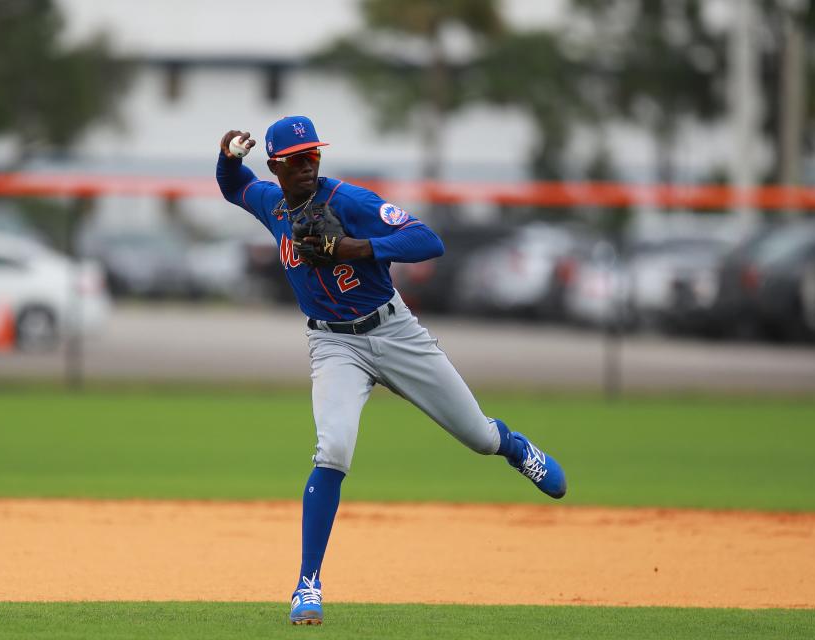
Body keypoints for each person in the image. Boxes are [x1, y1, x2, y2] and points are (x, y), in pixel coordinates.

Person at [216, 116, 566, 626]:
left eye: (313, 155)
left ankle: (514, 446)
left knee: (477, 436)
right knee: (332, 449)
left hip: (395, 333)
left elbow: (427, 240)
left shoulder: (349, 201)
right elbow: (235, 188)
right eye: (296, 159)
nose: (308, 165)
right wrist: (227, 158)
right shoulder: (272, 204)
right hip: (333, 344)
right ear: (276, 166)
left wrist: (356, 247)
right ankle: (307, 585)